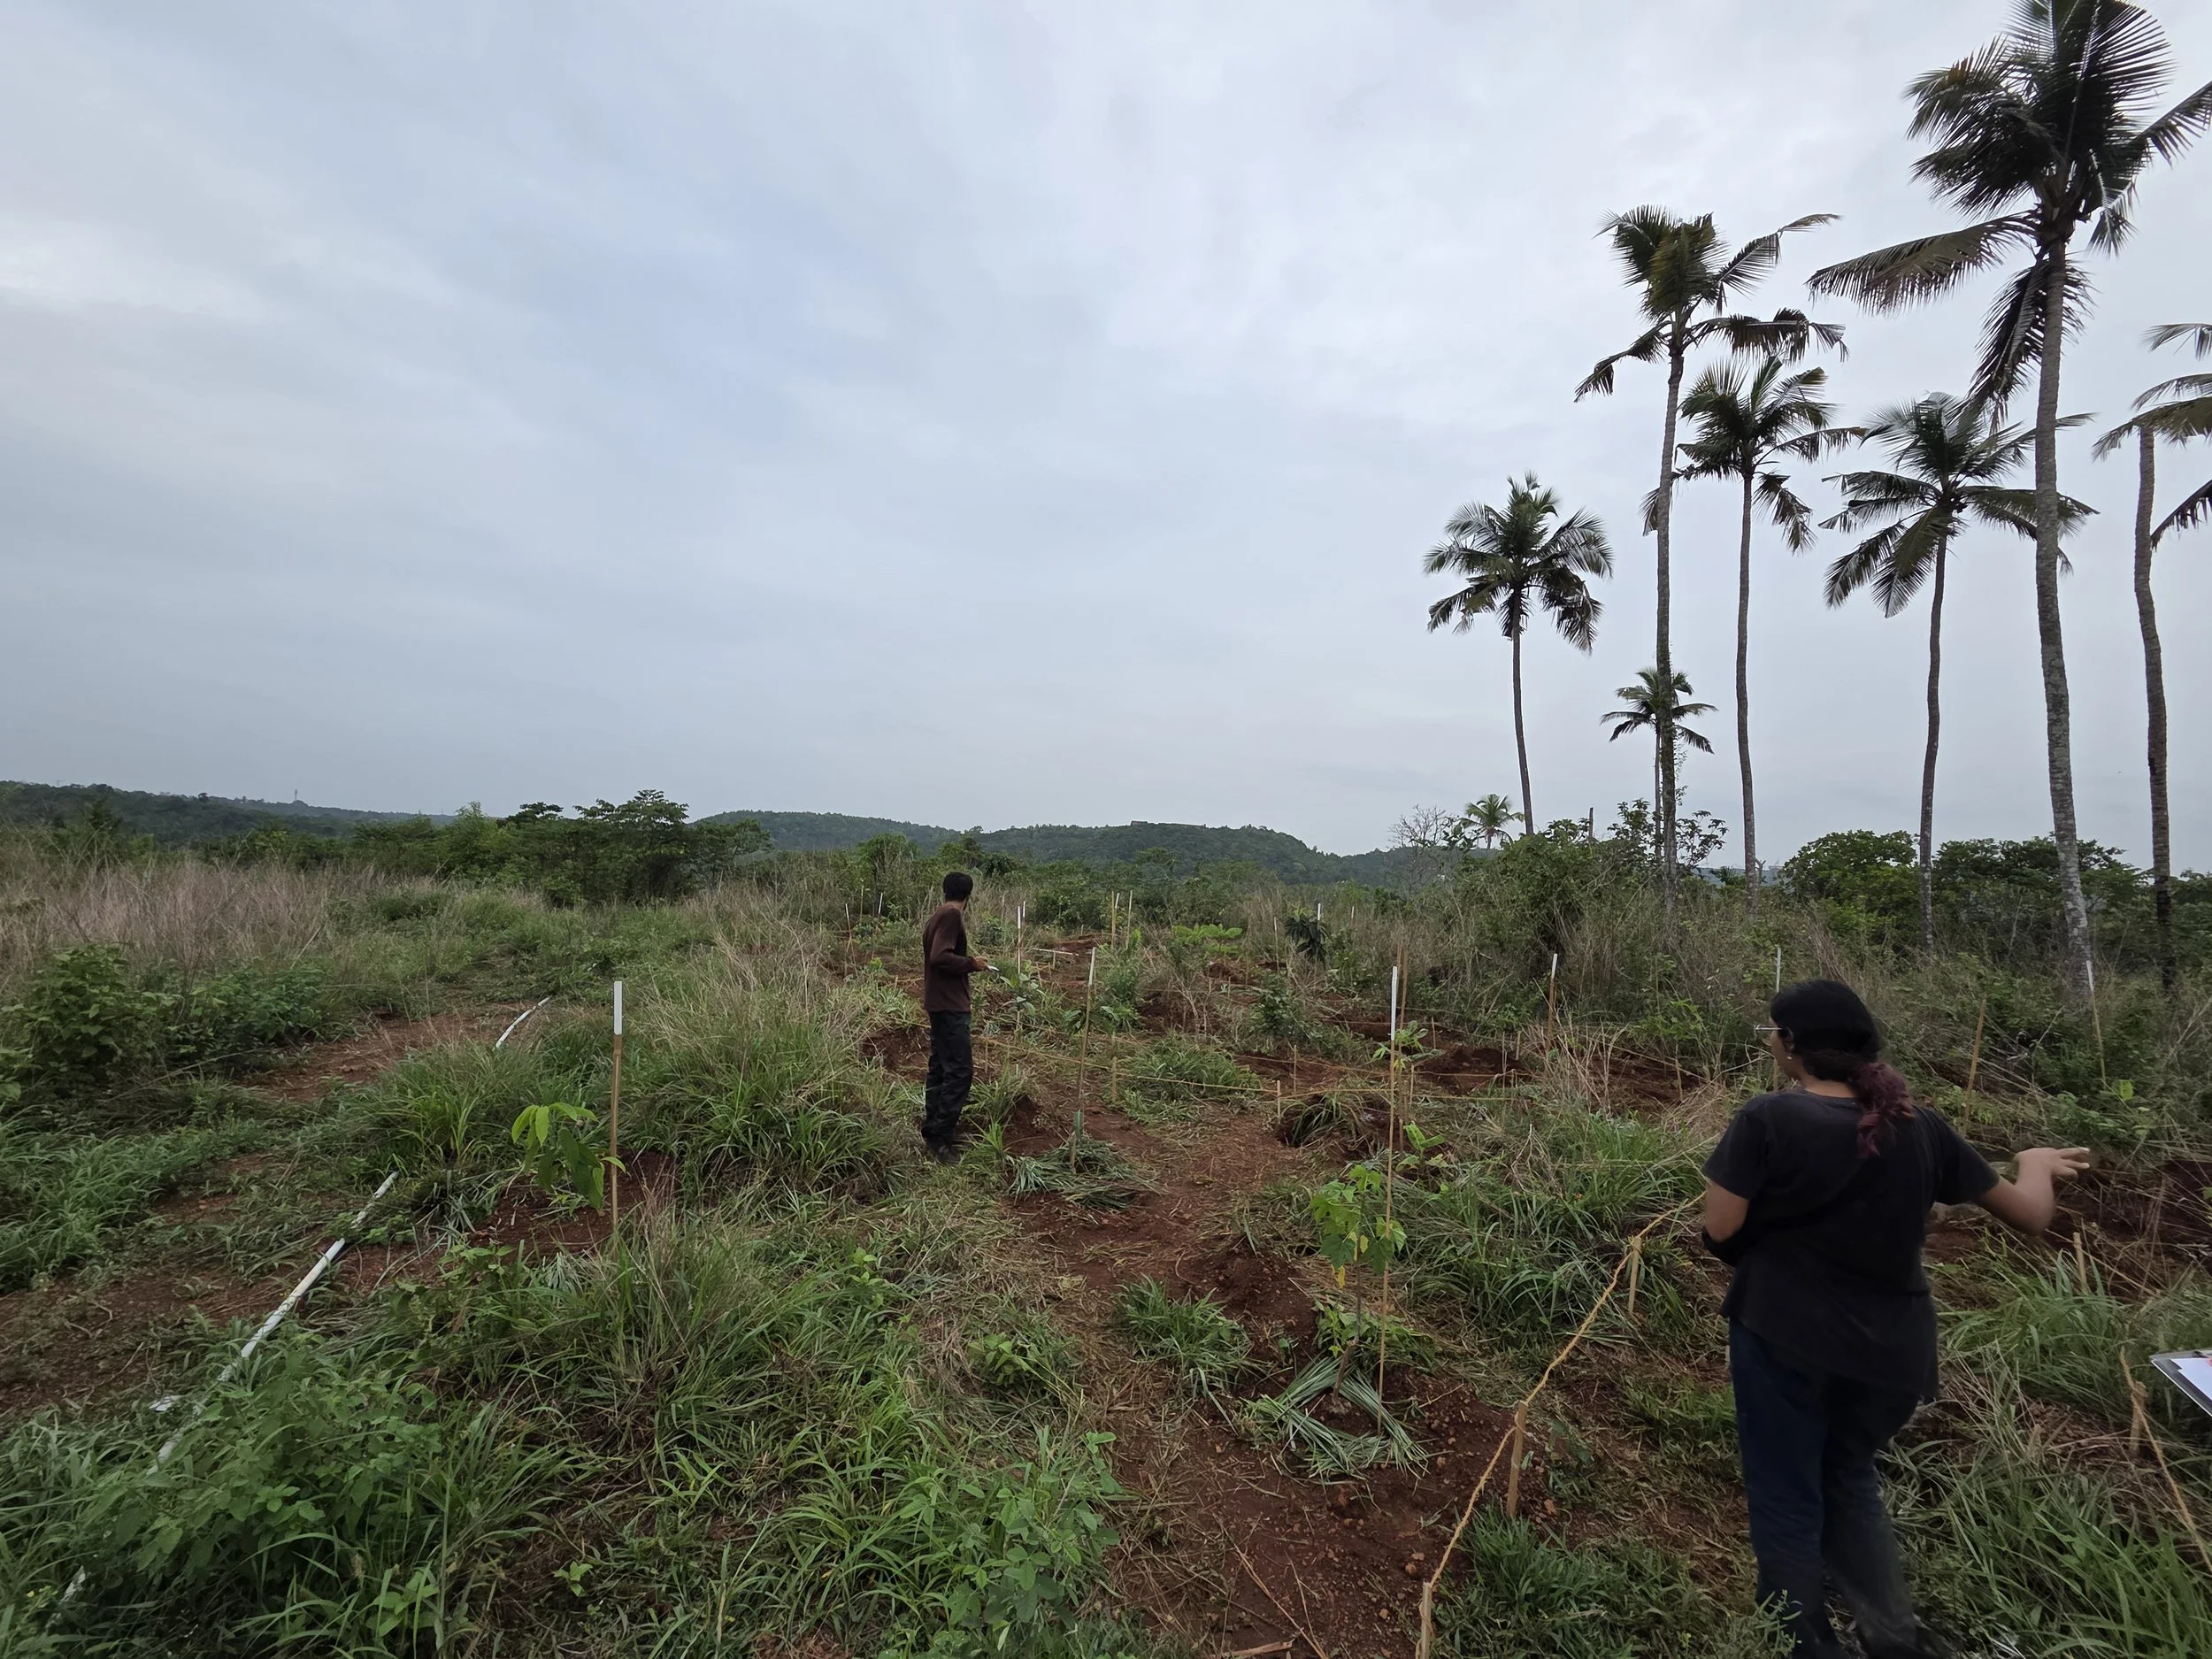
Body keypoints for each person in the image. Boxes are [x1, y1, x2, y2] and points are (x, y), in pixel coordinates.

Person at [1701, 978, 2089, 1659]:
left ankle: (1803, 1641)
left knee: (1787, 1488)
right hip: (1892, 1351)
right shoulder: (1919, 1124)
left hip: (1785, 1332)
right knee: (1848, 1474)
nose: (1770, 1044)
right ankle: (1892, 1637)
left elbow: (1721, 1227)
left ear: (1791, 1045)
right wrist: (2034, 1162)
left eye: (1771, 1033)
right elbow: (2031, 1214)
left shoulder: (1767, 1119)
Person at [919, 871, 990, 1163]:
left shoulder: (938, 914)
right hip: (951, 1006)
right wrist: (972, 964)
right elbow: (940, 956)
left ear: (945, 890)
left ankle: (932, 1128)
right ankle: (941, 1137)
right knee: (960, 1073)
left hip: (938, 1003)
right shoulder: (951, 917)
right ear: (969, 896)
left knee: (940, 1067)